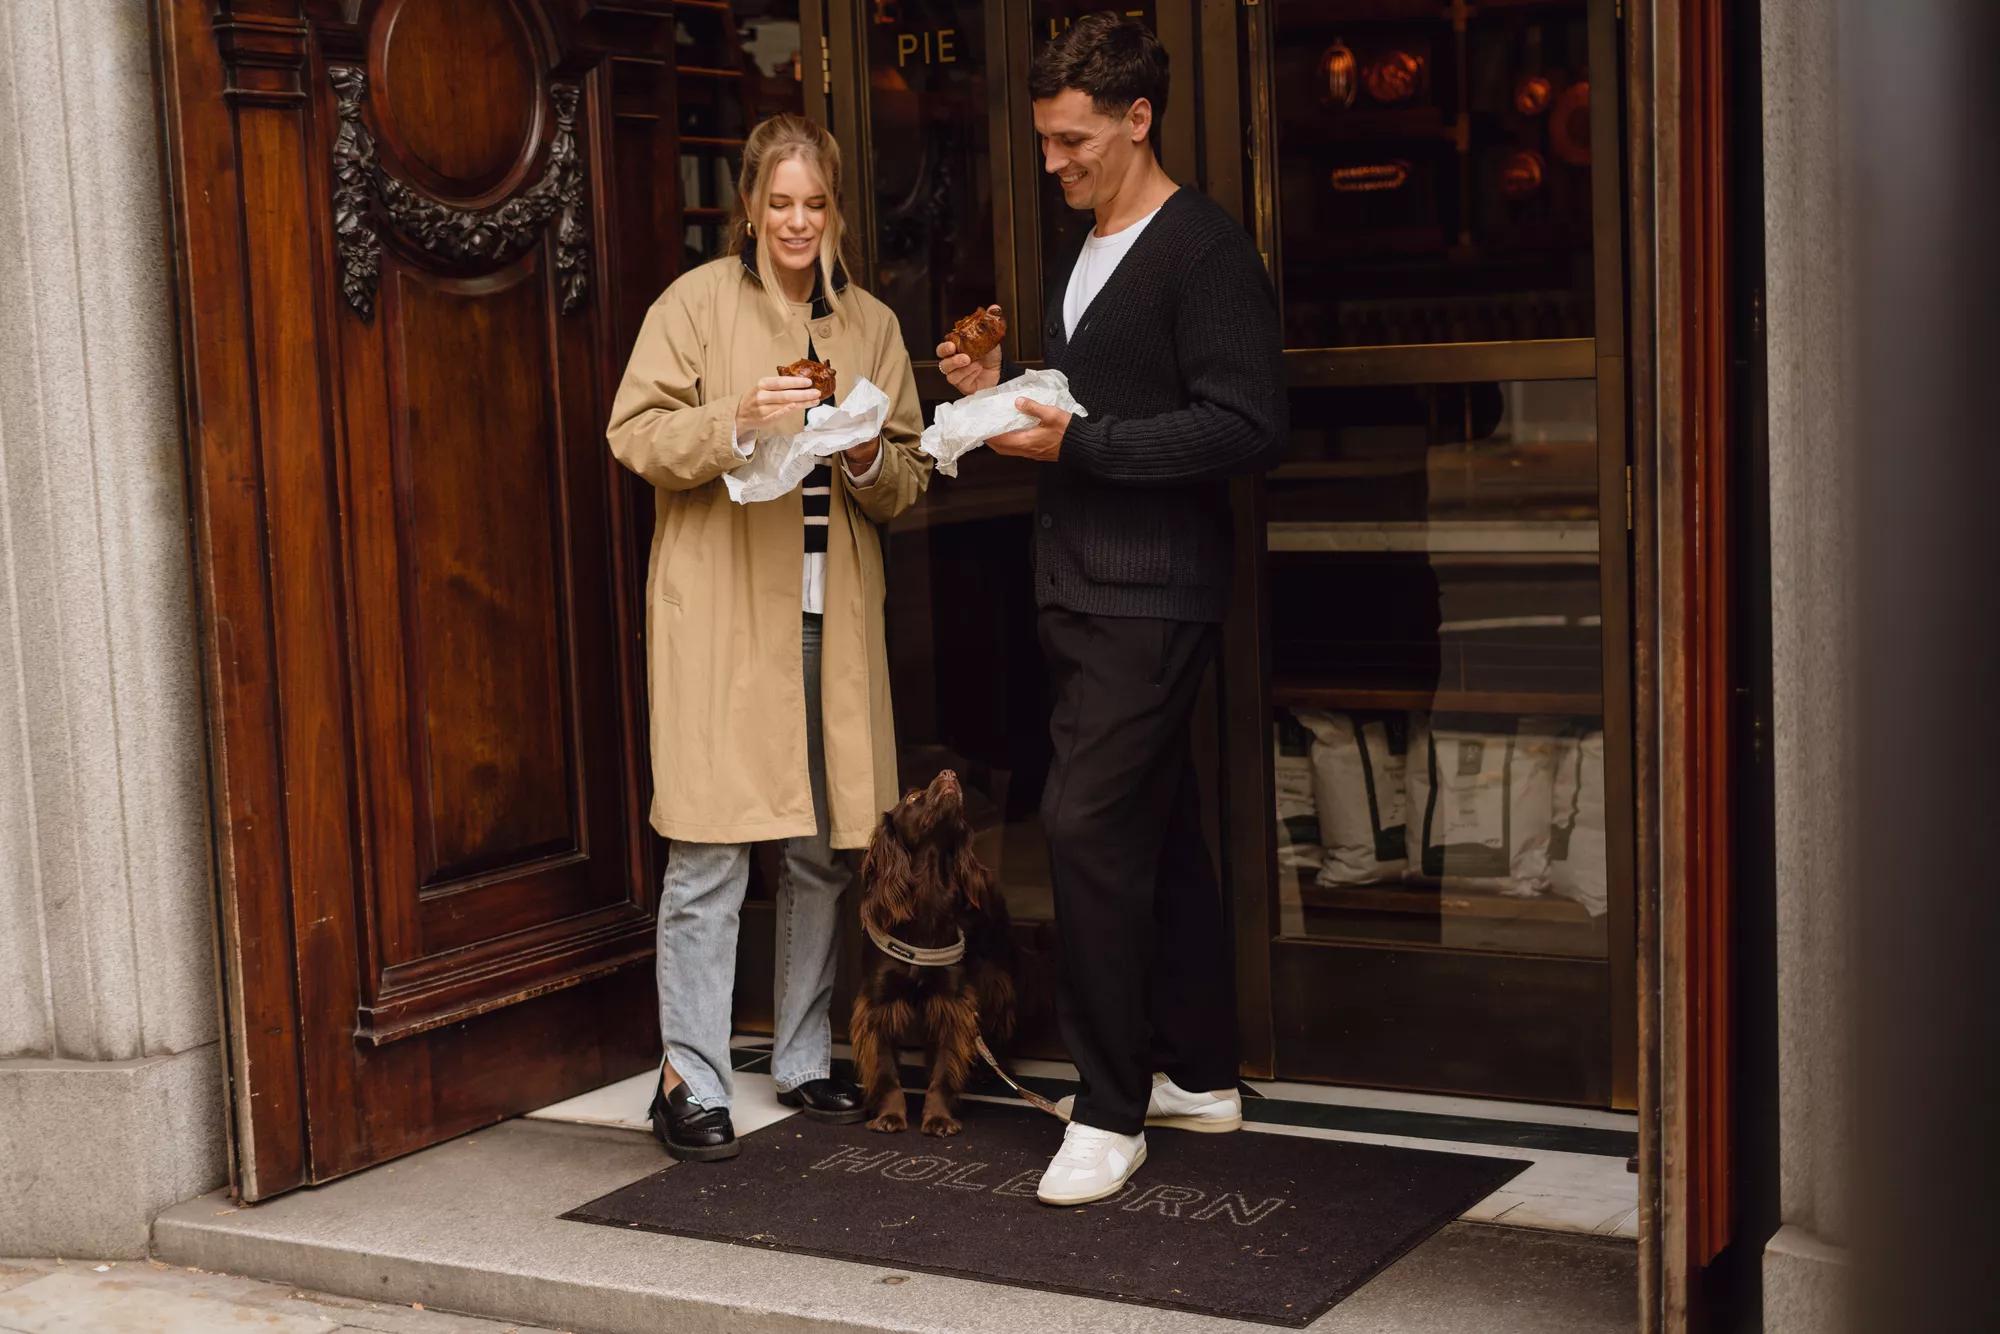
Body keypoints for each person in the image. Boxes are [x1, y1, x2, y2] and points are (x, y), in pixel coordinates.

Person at [937, 15, 1287, 1205]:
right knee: (1156, 826)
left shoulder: (1205, 253)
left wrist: (1080, 442)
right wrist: (1000, 399)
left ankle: (1106, 1106)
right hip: (1081, 587)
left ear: (1138, 119)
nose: (1053, 163)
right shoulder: (1078, 248)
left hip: (1151, 589)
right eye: (1043, 141)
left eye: (1071, 140)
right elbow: (1083, 405)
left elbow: (1246, 423)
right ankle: (1196, 1067)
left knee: (1082, 824)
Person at [607, 114, 930, 1162]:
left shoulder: (869, 325)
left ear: (835, 212)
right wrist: (738, 419)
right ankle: (689, 1076)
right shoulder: (693, 307)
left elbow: (906, 484)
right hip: (721, 615)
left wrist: (874, 450)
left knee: (820, 848)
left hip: (826, 617)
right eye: (778, 203)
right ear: (748, 208)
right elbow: (635, 435)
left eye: (814, 204)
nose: (796, 222)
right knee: (707, 846)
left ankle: (798, 1056)